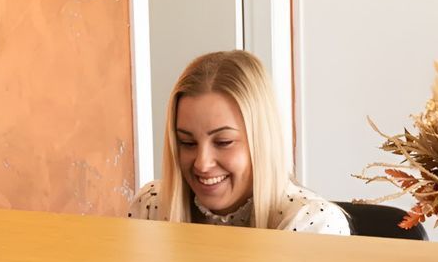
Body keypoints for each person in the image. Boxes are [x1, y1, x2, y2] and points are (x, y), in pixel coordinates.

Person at [128, 50, 350, 235]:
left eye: (223, 142)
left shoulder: (314, 222)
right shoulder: (151, 205)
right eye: (187, 142)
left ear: (262, 141)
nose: (202, 164)